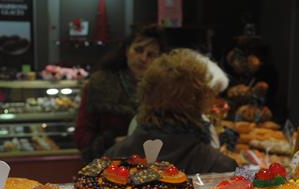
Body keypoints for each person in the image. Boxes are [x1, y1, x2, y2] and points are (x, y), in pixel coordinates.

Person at [105, 49, 237, 175]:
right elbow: (251, 183)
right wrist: (250, 172)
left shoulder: (111, 158)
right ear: (200, 100)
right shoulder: (223, 165)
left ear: (145, 92)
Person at [74, 24, 165, 163]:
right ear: (127, 50)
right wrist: (111, 141)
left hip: (153, 168)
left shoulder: (165, 89)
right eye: (138, 50)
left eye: (151, 54)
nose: (143, 58)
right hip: (109, 168)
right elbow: (81, 136)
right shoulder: (100, 83)